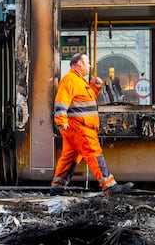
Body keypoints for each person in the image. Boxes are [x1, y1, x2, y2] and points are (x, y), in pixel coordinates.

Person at [50, 53, 133, 196]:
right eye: (87, 62)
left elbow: (82, 100)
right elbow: (61, 101)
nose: (90, 65)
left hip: (76, 128)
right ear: (79, 64)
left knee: (69, 157)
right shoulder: (70, 80)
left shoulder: (79, 81)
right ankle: (109, 186)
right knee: (94, 153)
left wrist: (95, 88)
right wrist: (61, 120)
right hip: (80, 128)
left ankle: (57, 186)